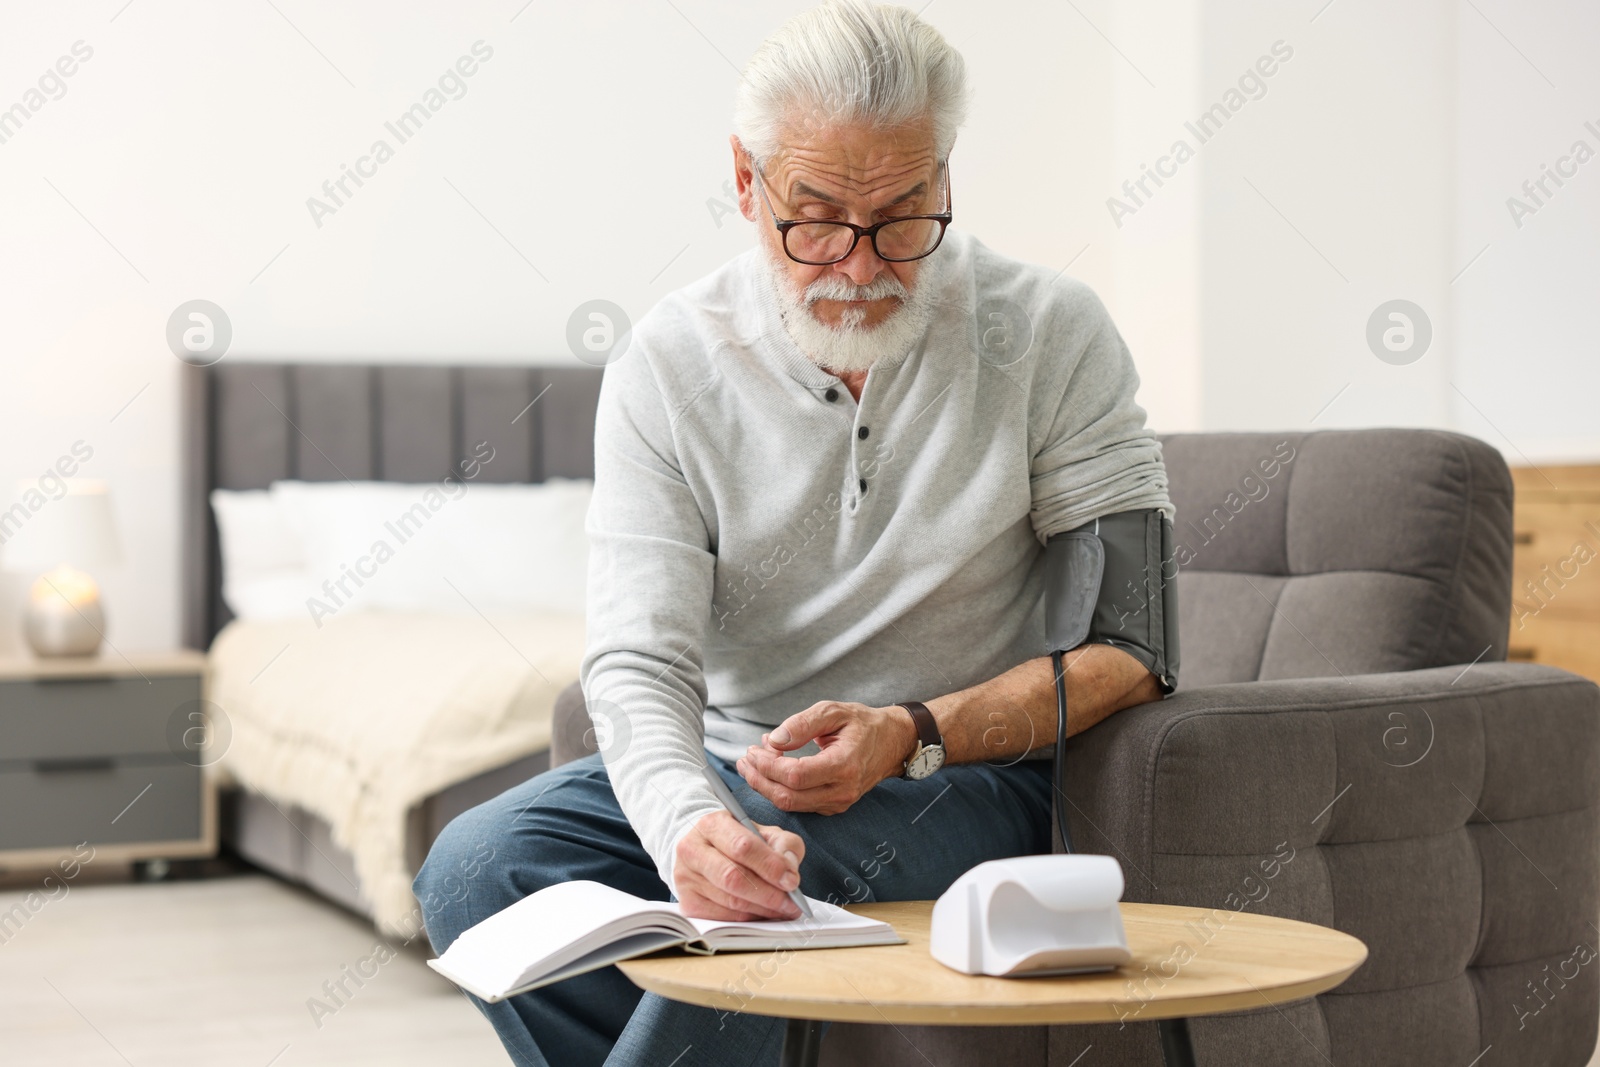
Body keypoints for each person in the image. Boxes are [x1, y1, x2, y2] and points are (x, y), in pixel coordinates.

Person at [417, 2, 1174, 1063]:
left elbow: (1135, 650)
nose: (859, 267)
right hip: (734, 766)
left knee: (778, 879)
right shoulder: (668, 364)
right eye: (814, 217)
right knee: (475, 865)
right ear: (744, 181)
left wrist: (912, 728)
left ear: (945, 176)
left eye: (904, 216)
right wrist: (689, 825)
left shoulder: (1053, 331)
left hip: (961, 776)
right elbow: (636, 656)